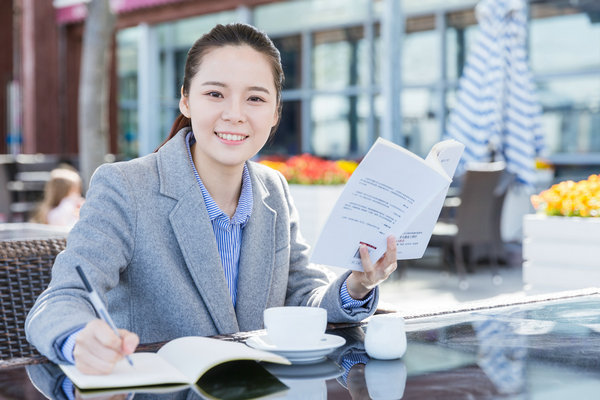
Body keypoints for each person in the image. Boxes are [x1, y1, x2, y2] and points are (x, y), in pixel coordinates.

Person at [25, 23, 397, 376]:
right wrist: (78, 339)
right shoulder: (126, 186)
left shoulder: (274, 190)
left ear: (275, 113)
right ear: (186, 101)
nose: (234, 114)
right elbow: (60, 300)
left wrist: (357, 286)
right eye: (215, 94)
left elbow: (304, 298)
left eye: (255, 98)